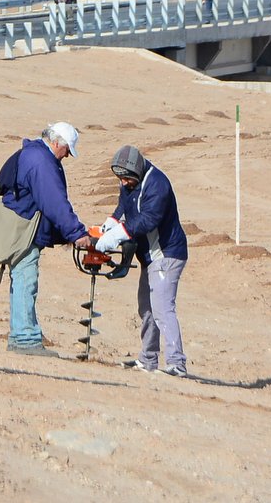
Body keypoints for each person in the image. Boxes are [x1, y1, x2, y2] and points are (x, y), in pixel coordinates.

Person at [0, 122, 93, 356]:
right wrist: (77, 234)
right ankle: (24, 339)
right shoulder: (41, 162)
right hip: (24, 229)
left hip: (22, 225)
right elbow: (54, 203)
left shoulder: (36, 155)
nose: (67, 155)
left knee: (22, 277)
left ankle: (22, 334)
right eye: (67, 150)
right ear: (56, 142)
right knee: (25, 278)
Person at [100, 145, 188, 377]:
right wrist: (112, 220)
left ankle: (177, 364)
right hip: (149, 256)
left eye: (127, 179)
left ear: (137, 172)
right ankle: (148, 359)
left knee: (162, 308)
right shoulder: (129, 182)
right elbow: (125, 204)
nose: (124, 183)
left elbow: (148, 219)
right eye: (120, 179)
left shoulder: (158, 184)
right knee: (146, 308)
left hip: (166, 254)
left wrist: (117, 234)